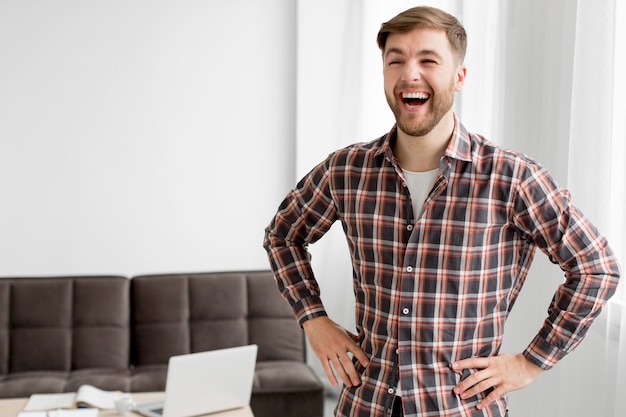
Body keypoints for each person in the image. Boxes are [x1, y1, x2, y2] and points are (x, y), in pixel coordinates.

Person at [263, 6, 620, 417]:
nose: (409, 73)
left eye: (428, 60)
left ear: (459, 77)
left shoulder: (511, 177)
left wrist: (530, 362)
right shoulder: (345, 171)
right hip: (366, 402)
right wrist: (314, 321)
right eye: (395, 60)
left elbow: (596, 268)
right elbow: (282, 236)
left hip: (460, 409)